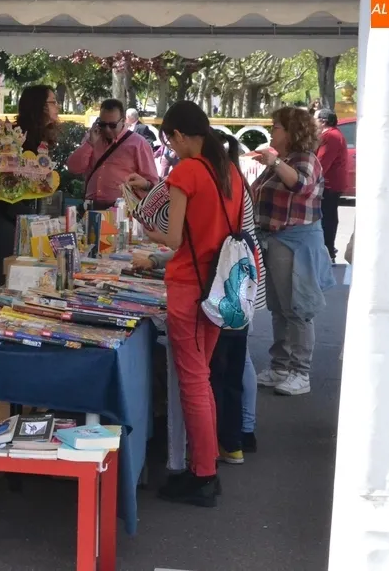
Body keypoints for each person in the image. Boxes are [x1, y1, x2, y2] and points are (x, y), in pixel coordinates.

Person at [138, 100, 244, 507]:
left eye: (170, 140)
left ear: (180, 136)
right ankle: (205, 465)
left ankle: (203, 474)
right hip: (219, 286)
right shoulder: (228, 170)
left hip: (190, 286)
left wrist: (148, 229)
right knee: (202, 377)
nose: (171, 147)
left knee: (194, 381)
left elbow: (173, 238)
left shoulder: (187, 171)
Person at [252, 107, 335, 396]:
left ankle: (300, 372)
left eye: (276, 127)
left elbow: (300, 185)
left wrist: (274, 162)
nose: (271, 131)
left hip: (296, 242)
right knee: (279, 308)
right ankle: (281, 367)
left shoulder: (305, 159)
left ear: (291, 132)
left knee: (298, 309)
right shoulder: (284, 160)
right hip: (275, 240)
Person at [0, 85, 59, 286]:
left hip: (20, 217)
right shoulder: (16, 137)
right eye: (53, 102)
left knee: (20, 279)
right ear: (40, 106)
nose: (57, 107)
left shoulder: (40, 137)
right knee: (7, 279)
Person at [66, 99, 158, 210]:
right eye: (103, 124)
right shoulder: (92, 138)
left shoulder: (138, 143)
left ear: (123, 121)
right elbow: (73, 168)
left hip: (122, 209)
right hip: (92, 207)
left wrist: (144, 185)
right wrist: (90, 144)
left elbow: (153, 184)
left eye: (112, 125)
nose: (107, 129)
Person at [314, 109, 349, 262]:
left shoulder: (330, 136)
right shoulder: (332, 134)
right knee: (328, 216)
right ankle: (328, 250)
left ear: (323, 121)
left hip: (329, 185)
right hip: (331, 183)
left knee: (327, 218)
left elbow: (321, 163)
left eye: (314, 118)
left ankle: (328, 251)